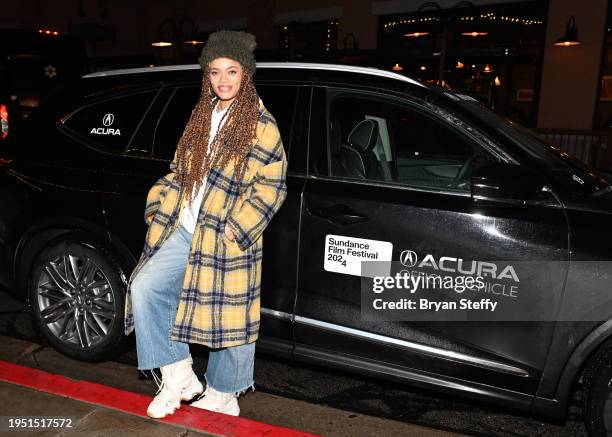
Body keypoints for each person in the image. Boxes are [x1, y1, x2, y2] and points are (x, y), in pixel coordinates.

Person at [123, 30, 288, 418]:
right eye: (215, 72)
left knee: (228, 313)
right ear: (207, 76)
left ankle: (224, 392)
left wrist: (239, 226)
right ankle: (178, 373)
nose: (224, 80)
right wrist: (158, 205)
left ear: (246, 73)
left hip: (226, 232)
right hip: (184, 227)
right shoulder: (202, 115)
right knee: (144, 286)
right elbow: (177, 172)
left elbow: (272, 184)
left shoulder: (261, 124)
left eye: (232, 71)